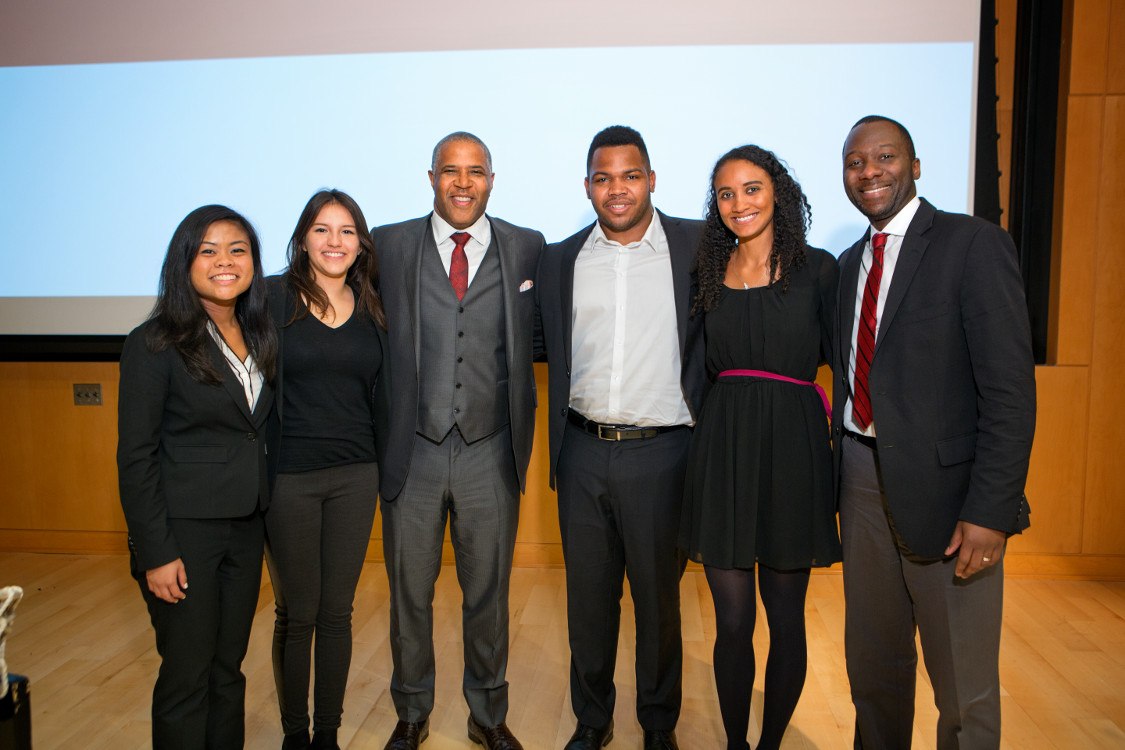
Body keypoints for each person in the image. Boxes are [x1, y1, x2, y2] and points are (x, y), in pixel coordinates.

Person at [833, 115, 1035, 749]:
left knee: (963, 689)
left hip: (952, 501)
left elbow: (1009, 392)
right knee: (873, 670)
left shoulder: (972, 244)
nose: (870, 172)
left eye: (885, 157)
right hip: (861, 482)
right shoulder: (847, 265)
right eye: (856, 162)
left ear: (915, 166)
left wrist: (991, 509)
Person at [536, 125, 707, 750]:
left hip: (665, 453)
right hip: (580, 451)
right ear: (587, 186)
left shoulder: (698, 247)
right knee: (588, 601)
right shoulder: (560, 259)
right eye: (603, 178)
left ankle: (658, 725)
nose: (617, 189)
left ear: (652, 179)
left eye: (630, 175)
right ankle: (592, 719)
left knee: (660, 606)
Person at [371, 132, 543, 750]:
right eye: (451, 171)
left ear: (492, 179)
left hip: (491, 447)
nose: (463, 183)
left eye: (476, 172)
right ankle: (412, 711)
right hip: (411, 449)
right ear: (431, 177)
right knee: (408, 593)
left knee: (489, 593)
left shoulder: (527, 248)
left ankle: (487, 714)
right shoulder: (388, 244)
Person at [679, 145, 841, 750]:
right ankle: (737, 744)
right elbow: (694, 365)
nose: (738, 203)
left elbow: (845, 364)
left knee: (786, 617)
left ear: (778, 193)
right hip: (722, 451)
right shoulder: (706, 274)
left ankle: (770, 744)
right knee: (732, 622)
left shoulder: (819, 271)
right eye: (725, 193)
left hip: (793, 454)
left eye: (751, 189)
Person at [117, 204, 277, 748]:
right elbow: (136, 457)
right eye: (208, 250)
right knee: (187, 674)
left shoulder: (258, 333)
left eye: (238, 250)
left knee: (228, 668)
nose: (225, 261)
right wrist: (155, 552)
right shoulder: (154, 342)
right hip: (183, 535)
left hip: (246, 525)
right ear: (184, 262)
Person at [264, 189, 388, 750]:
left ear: (361, 242)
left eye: (346, 231)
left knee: (338, 611)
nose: (334, 242)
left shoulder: (375, 307)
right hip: (288, 478)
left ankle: (328, 735)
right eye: (321, 230)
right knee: (298, 611)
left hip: (356, 477)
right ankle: (295, 735)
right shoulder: (269, 300)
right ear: (301, 239)